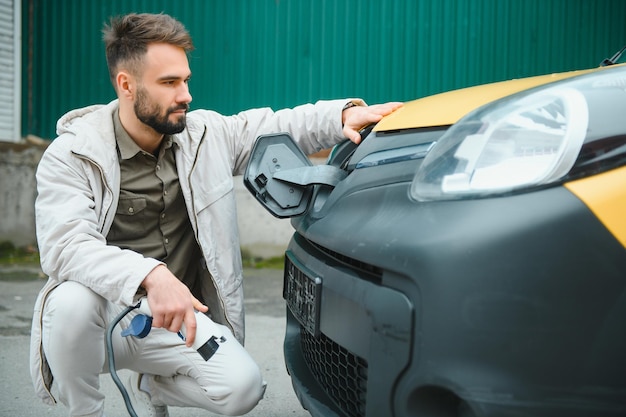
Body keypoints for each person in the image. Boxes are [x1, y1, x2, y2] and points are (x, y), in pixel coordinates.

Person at [29, 12, 402, 417]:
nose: (186, 94)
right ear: (126, 85)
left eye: (186, 80)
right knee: (68, 303)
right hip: (103, 324)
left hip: (177, 318)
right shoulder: (72, 155)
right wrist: (149, 276)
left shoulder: (205, 135)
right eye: (169, 82)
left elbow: (273, 124)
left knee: (242, 389)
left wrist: (341, 116)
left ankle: (151, 381)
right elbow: (65, 246)